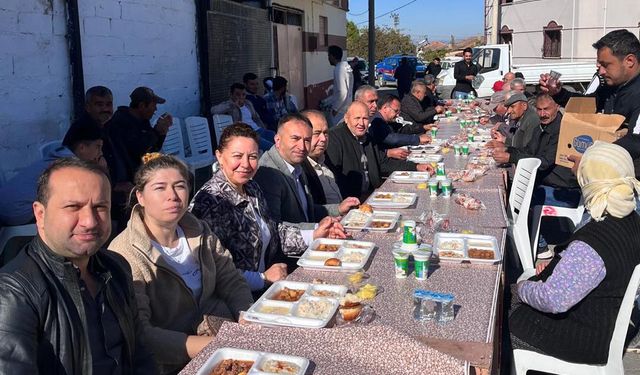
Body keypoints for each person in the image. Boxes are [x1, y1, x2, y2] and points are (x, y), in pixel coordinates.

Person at [0, 158, 156, 374]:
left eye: (100, 207)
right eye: (73, 207)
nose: (90, 221)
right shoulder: (13, 293)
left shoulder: (116, 267)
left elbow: (140, 353)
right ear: (40, 214)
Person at [108, 154, 254, 373]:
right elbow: (142, 333)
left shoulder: (198, 230)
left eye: (180, 186)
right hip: (175, 362)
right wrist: (217, 346)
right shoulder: (126, 253)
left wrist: (246, 317)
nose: (173, 196)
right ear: (141, 196)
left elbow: (230, 279)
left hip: (225, 339)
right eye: (160, 188)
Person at [509, 142, 640, 365]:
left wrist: (522, 288)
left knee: (503, 315)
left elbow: (554, 299)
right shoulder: (631, 218)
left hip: (587, 337)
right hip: (610, 317)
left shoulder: (596, 239)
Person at [189, 123, 346, 292]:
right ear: (219, 156)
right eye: (237, 156)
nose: (246, 164)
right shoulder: (210, 202)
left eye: (252, 156)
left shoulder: (251, 187)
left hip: (267, 288)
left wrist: (315, 233)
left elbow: (274, 232)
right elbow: (212, 270)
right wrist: (262, 278)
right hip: (238, 299)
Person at [540, 29, 640, 179]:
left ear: (629, 61)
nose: (601, 72)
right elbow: (585, 106)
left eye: (606, 65)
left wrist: (592, 158)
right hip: (600, 176)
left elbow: (636, 140)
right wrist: (558, 93)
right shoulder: (609, 87)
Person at [493, 94, 579, 259]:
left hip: (563, 189)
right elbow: (528, 151)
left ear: (556, 108)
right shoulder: (542, 126)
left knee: (520, 198)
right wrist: (507, 149)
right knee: (513, 192)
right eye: (539, 110)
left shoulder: (561, 129)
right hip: (549, 182)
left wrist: (510, 157)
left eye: (546, 109)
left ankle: (540, 246)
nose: (542, 113)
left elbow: (545, 162)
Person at [253, 114, 359, 228]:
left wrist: (338, 209)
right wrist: (316, 228)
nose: (302, 147)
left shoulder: (296, 164)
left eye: (307, 140)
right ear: (278, 140)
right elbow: (274, 227)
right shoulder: (269, 173)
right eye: (295, 139)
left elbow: (307, 212)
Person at [0, 121, 104, 226]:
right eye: (98, 147)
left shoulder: (58, 156)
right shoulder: (69, 169)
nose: (100, 153)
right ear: (82, 148)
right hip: (15, 213)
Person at [325, 101, 433, 199]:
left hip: (373, 194)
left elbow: (383, 163)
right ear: (346, 118)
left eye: (365, 119)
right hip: (352, 201)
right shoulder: (335, 138)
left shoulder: (367, 138)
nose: (361, 123)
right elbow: (334, 177)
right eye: (357, 118)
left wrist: (416, 166)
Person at [108, 86, 173, 183]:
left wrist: (162, 132)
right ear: (142, 106)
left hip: (141, 171)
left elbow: (153, 148)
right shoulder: (122, 121)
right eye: (153, 105)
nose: (155, 109)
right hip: (126, 178)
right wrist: (156, 131)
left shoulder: (143, 120)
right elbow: (138, 149)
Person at [211, 83, 275, 151]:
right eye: (238, 94)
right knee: (271, 147)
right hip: (246, 134)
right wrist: (233, 105)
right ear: (231, 94)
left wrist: (263, 129)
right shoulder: (229, 105)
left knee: (277, 138)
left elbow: (256, 118)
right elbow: (213, 110)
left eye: (243, 94)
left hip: (258, 130)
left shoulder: (248, 103)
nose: (241, 97)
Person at [301, 110, 343, 205]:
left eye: (325, 133)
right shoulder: (300, 170)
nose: (323, 139)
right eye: (317, 133)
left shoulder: (326, 159)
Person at [322, 45, 353, 126]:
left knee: (336, 134)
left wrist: (335, 109)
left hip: (340, 111)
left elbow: (343, 92)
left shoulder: (339, 69)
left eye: (329, 56)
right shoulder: (346, 68)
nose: (328, 58)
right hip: (347, 107)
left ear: (332, 56)